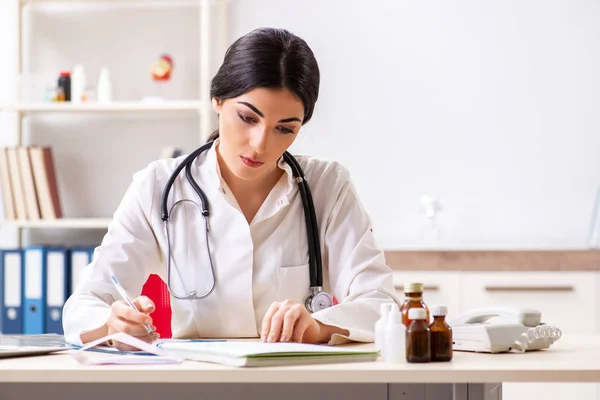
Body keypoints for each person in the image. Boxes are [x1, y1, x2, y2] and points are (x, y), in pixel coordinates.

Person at [62, 27, 399, 350]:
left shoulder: (328, 186)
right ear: (217, 100)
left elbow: (381, 303)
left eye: (285, 128)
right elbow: (86, 302)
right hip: (199, 379)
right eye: (248, 118)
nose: (260, 144)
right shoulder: (158, 186)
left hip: (296, 380)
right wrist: (112, 324)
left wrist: (320, 326)